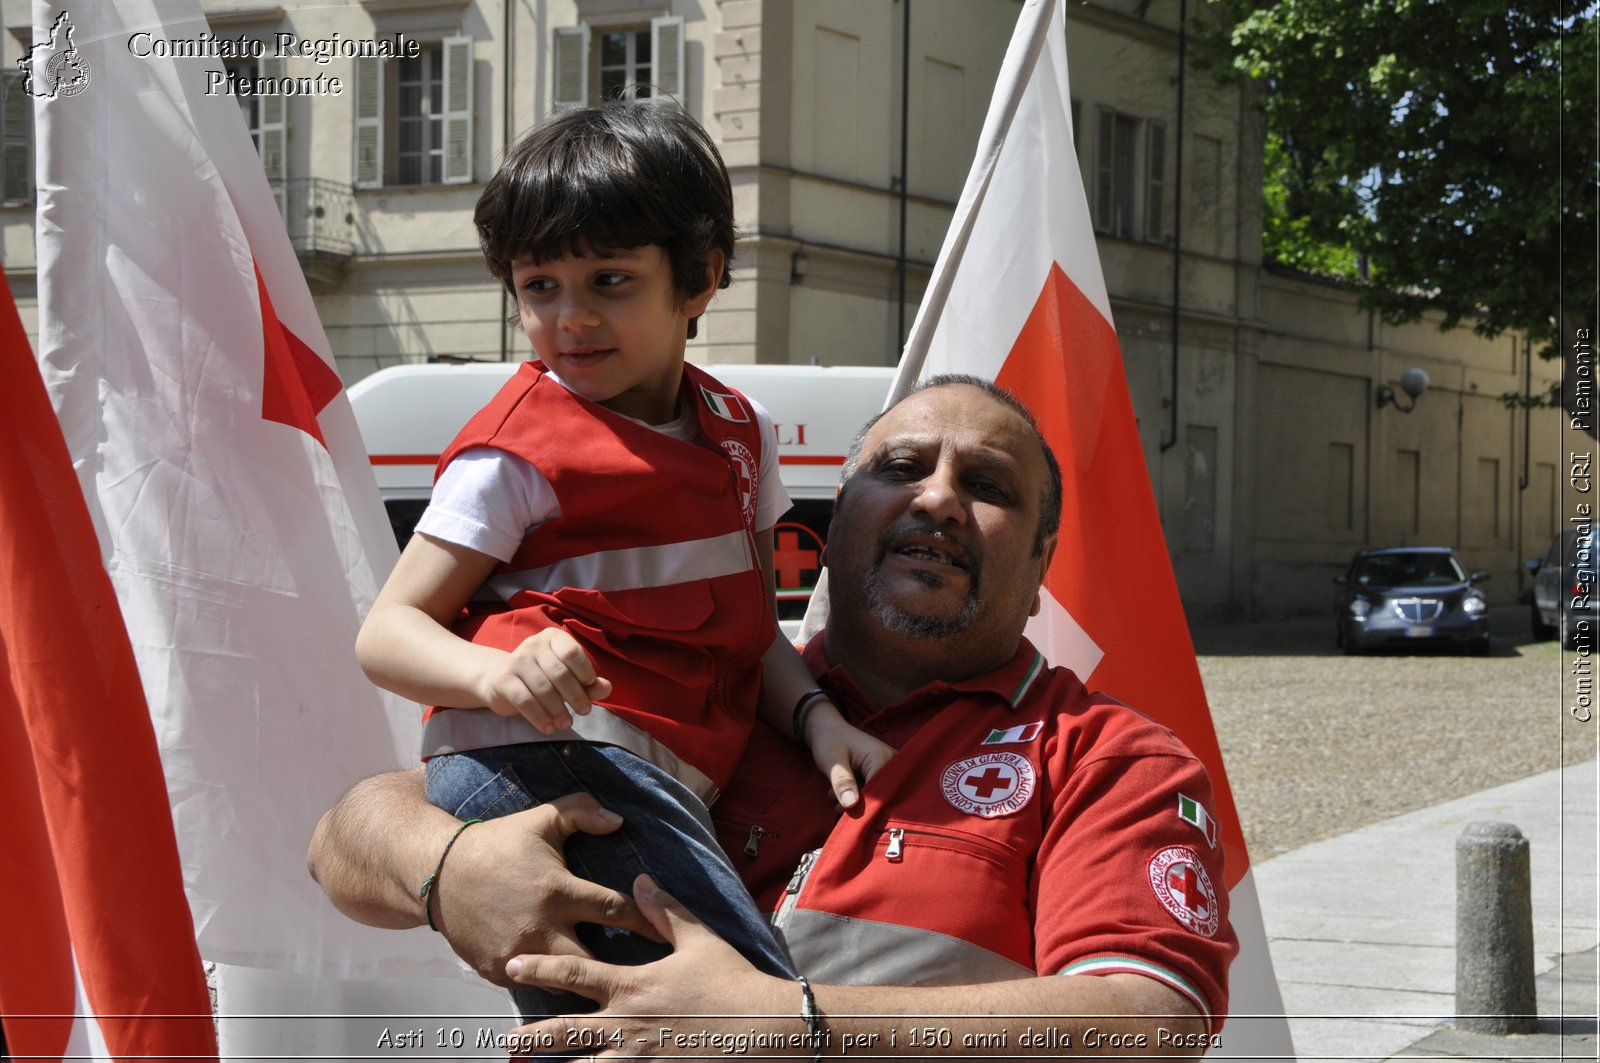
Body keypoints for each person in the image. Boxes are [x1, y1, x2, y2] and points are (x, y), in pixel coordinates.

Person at [313, 377, 1238, 1056]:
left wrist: (789, 1022)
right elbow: (347, 840)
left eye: (988, 486)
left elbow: (1149, 1018)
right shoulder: (701, 686)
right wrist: (448, 866)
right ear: (828, 529)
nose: (940, 497)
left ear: (1042, 565)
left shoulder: (1111, 758)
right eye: (903, 467)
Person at [352, 99, 893, 1032]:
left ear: (701, 279)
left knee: (629, 1025)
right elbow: (385, 633)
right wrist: (497, 670)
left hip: (639, 772)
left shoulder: (741, 433)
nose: (571, 318)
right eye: (540, 286)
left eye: (609, 279)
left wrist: (816, 718)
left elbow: (749, 625)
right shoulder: (512, 452)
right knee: (739, 1009)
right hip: (544, 760)